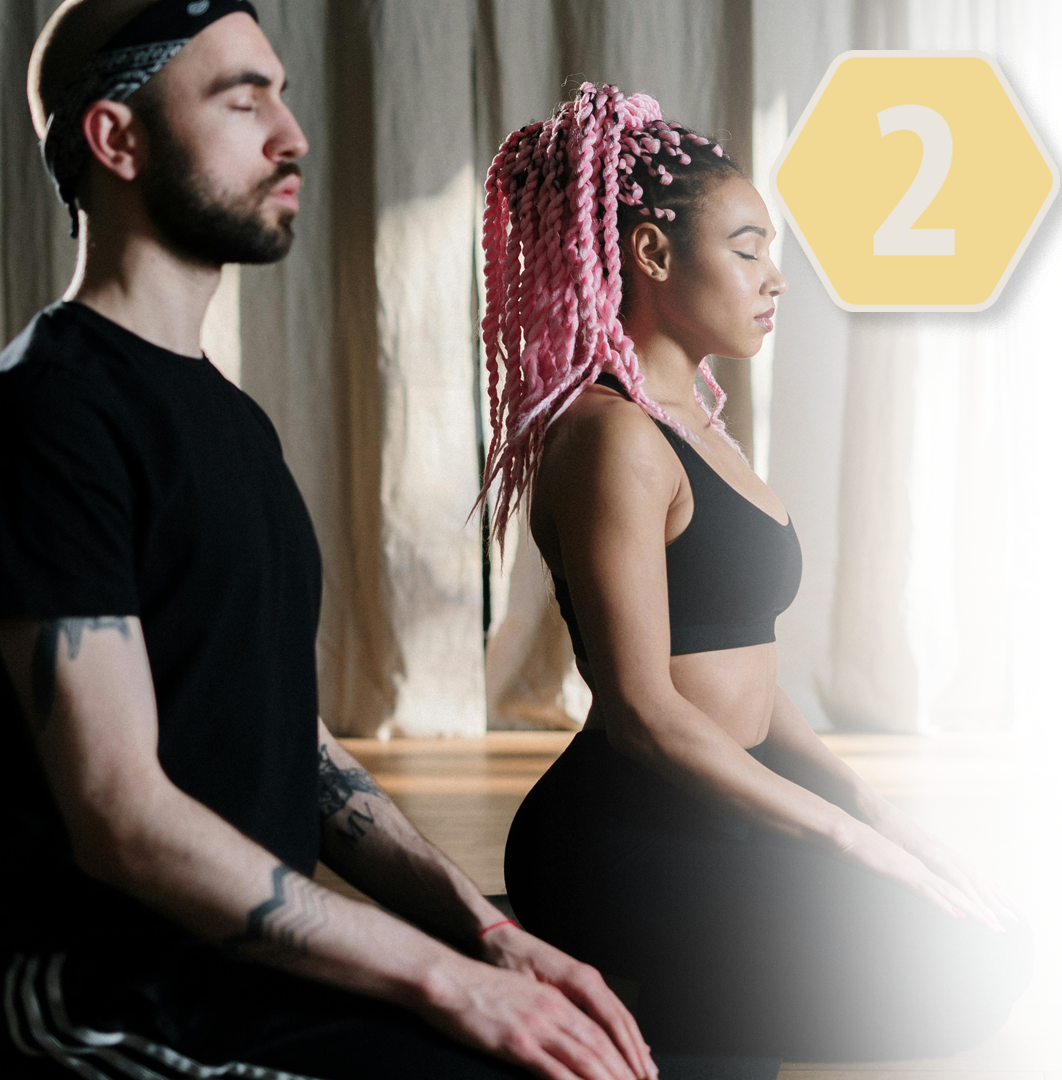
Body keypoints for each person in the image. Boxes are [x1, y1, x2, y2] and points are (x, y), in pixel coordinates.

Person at [0, 7, 658, 1080]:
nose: (292, 135)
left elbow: (288, 742)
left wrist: (483, 937)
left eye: (284, 93)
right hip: (122, 1003)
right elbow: (120, 816)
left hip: (253, 975)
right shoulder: (50, 413)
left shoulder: (230, 419)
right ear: (116, 141)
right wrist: (449, 982)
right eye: (241, 99)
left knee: (621, 1027)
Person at [479, 83, 1034, 1063]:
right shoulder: (614, 440)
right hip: (630, 831)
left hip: (734, 806)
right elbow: (644, 708)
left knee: (986, 942)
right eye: (746, 250)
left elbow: (749, 677)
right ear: (652, 254)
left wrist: (875, 810)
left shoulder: (699, 421)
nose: (775, 280)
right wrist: (840, 839)